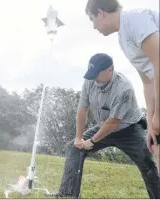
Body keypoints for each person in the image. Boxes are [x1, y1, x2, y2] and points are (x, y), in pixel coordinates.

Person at [51, 53, 159, 199]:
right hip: (103, 126)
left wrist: (92, 141)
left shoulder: (124, 88)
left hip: (129, 130)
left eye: (97, 74)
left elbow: (113, 122)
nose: (94, 79)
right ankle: (68, 194)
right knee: (73, 148)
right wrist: (79, 138)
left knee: (147, 163)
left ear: (110, 70)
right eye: (92, 74)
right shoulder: (90, 80)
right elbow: (82, 109)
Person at [84, 0, 159, 173]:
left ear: (101, 13)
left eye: (92, 19)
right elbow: (148, 81)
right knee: (157, 146)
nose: (94, 26)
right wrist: (151, 121)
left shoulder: (134, 19)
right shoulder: (123, 39)